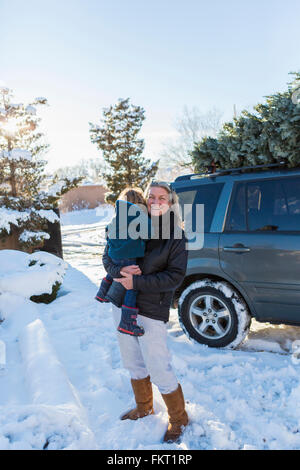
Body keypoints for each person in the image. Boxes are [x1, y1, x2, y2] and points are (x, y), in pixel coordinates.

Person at [102, 181, 189, 444]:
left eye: (162, 197)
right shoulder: (129, 220)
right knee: (132, 362)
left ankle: (179, 418)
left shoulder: (175, 236)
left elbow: (174, 277)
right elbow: (107, 256)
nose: (155, 201)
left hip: (150, 309)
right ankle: (144, 407)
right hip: (121, 303)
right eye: (151, 196)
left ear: (170, 203)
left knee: (158, 367)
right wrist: (119, 272)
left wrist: (136, 283)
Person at [96, 187, 152, 336]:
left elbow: (108, 233)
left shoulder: (116, 217)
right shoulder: (139, 215)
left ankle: (102, 292)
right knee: (131, 287)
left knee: (117, 268)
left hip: (114, 253)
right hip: (129, 256)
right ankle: (127, 322)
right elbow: (147, 235)